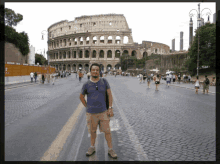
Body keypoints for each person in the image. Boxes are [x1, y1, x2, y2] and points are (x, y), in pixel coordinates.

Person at [79, 63, 117, 159]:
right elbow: (81, 96)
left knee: (107, 131)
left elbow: (109, 94)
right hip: (91, 113)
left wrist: (110, 108)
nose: (95, 71)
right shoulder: (86, 84)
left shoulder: (104, 81)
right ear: (90, 71)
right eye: (93, 70)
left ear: (99, 71)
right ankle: (92, 147)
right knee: (92, 131)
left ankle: (110, 149)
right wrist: (87, 106)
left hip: (103, 112)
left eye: (97, 70)